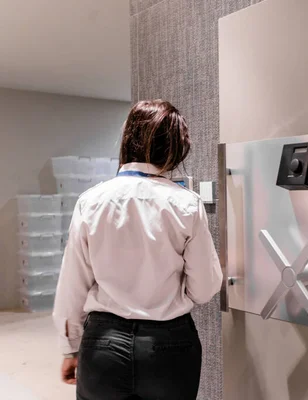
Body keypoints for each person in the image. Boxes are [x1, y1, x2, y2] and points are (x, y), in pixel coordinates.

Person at [52, 99, 223, 400]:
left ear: (128, 140)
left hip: (103, 343)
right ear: (175, 148)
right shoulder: (186, 204)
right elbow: (204, 289)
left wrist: (70, 347)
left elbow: (72, 287)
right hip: (169, 345)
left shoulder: (90, 202)